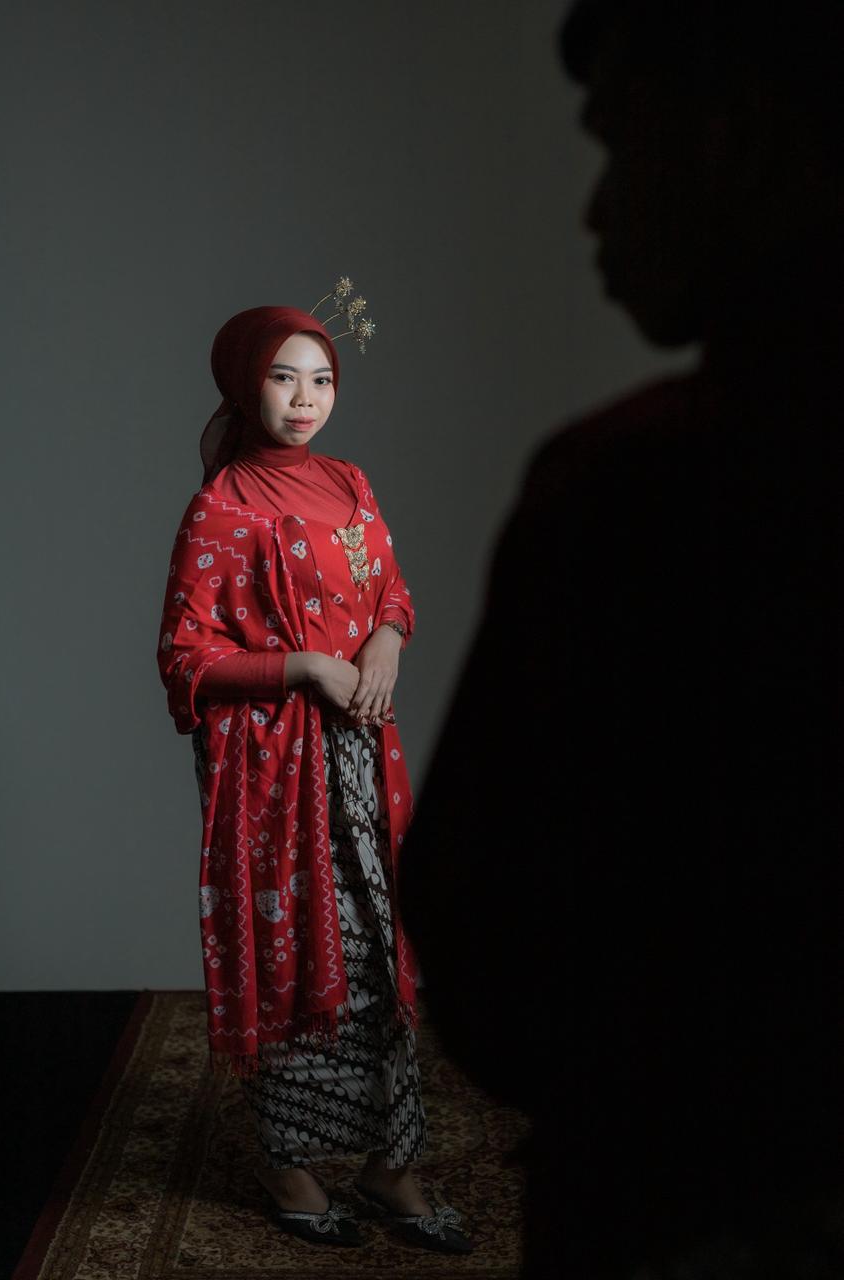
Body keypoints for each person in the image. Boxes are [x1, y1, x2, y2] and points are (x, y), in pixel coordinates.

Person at [398, 3, 844, 1277]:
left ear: (728, 135)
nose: (596, 212)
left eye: (616, 144)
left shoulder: (631, 493)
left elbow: (486, 941)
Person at [156, 298, 471, 1254]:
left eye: (323, 379)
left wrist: (386, 642)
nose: (305, 399)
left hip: (364, 755)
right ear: (243, 385)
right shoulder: (224, 505)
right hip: (277, 772)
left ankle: (391, 1164)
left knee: (384, 950)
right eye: (283, 377)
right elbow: (185, 656)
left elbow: (391, 590)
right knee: (298, 953)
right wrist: (303, 667)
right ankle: (289, 1162)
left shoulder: (348, 480)